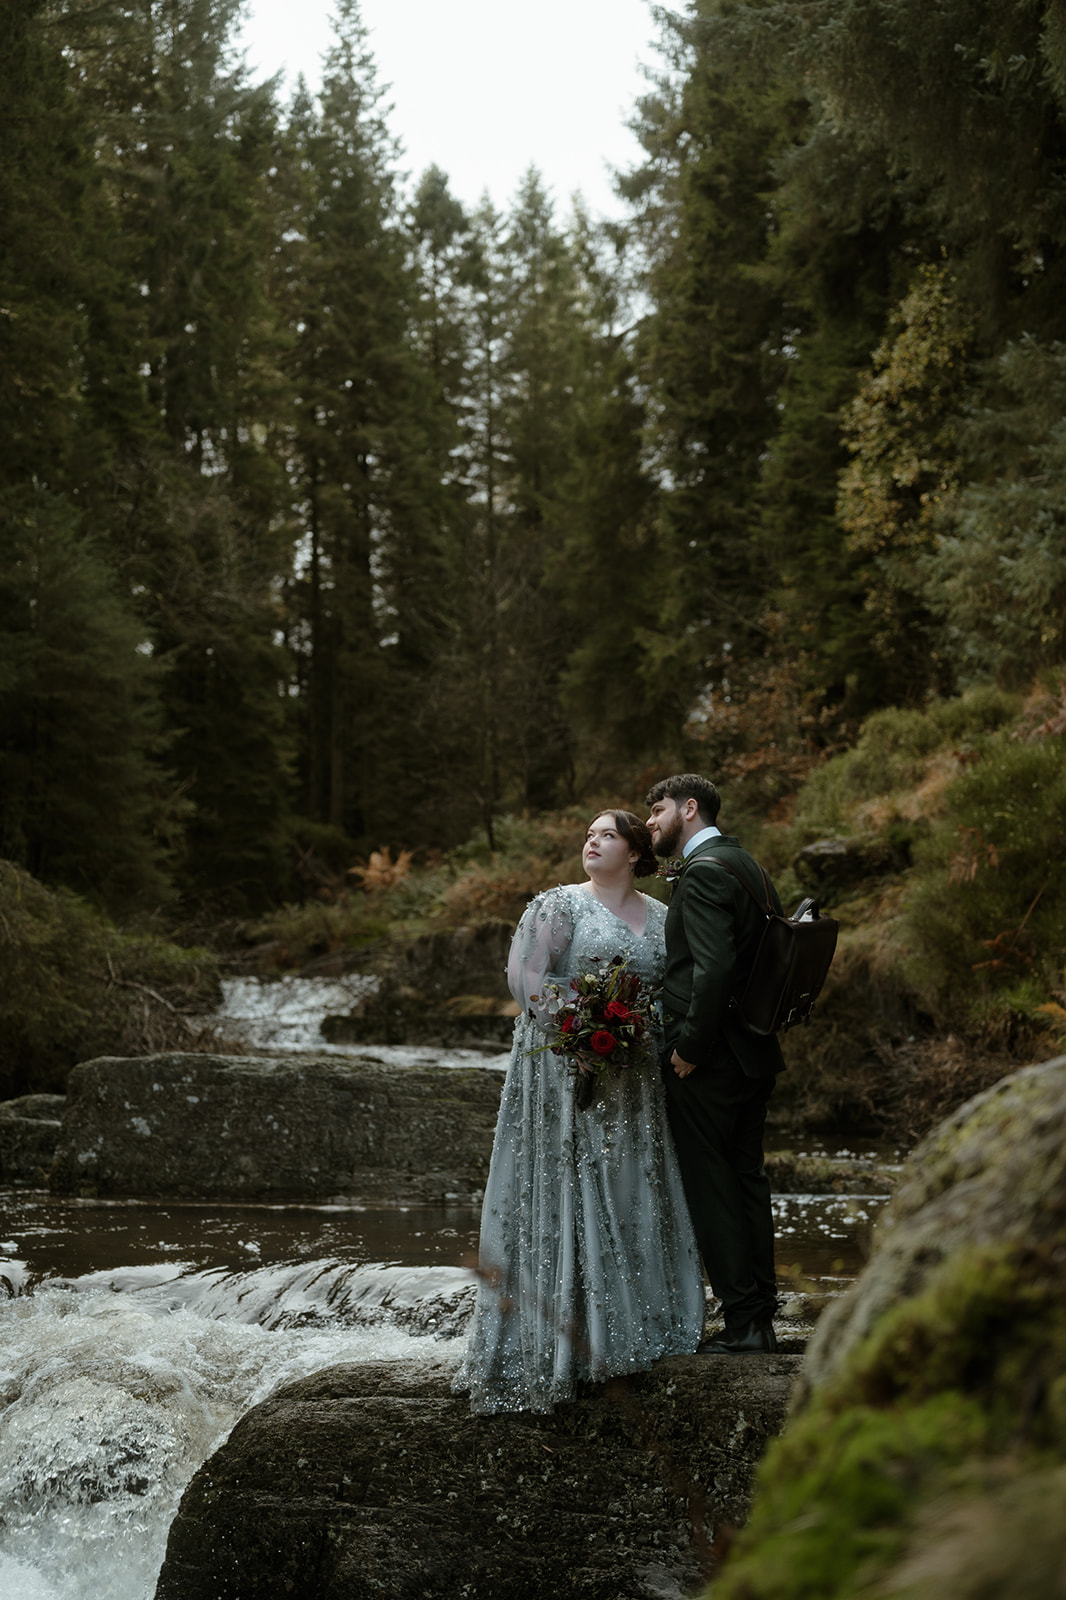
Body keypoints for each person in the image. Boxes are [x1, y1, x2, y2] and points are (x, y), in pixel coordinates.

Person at [454, 809, 704, 1414]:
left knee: (629, 1185)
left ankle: (634, 1330)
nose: (591, 842)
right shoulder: (558, 905)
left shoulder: (663, 917)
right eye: (589, 835)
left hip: (632, 1075)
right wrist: (577, 1030)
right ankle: (559, 1343)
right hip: (563, 1067)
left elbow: (668, 992)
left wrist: (642, 1034)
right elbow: (525, 977)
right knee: (568, 1183)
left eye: (607, 835)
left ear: (636, 853)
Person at [646, 774, 783, 1354]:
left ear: (689, 808)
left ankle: (745, 1323)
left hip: (712, 1058)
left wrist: (689, 1049)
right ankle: (760, 1314)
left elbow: (715, 968)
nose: (651, 822)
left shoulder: (702, 873)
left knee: (712, 1186)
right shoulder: (746, 864)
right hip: (753, 1051)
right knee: (747, 1178)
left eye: (657, 810)